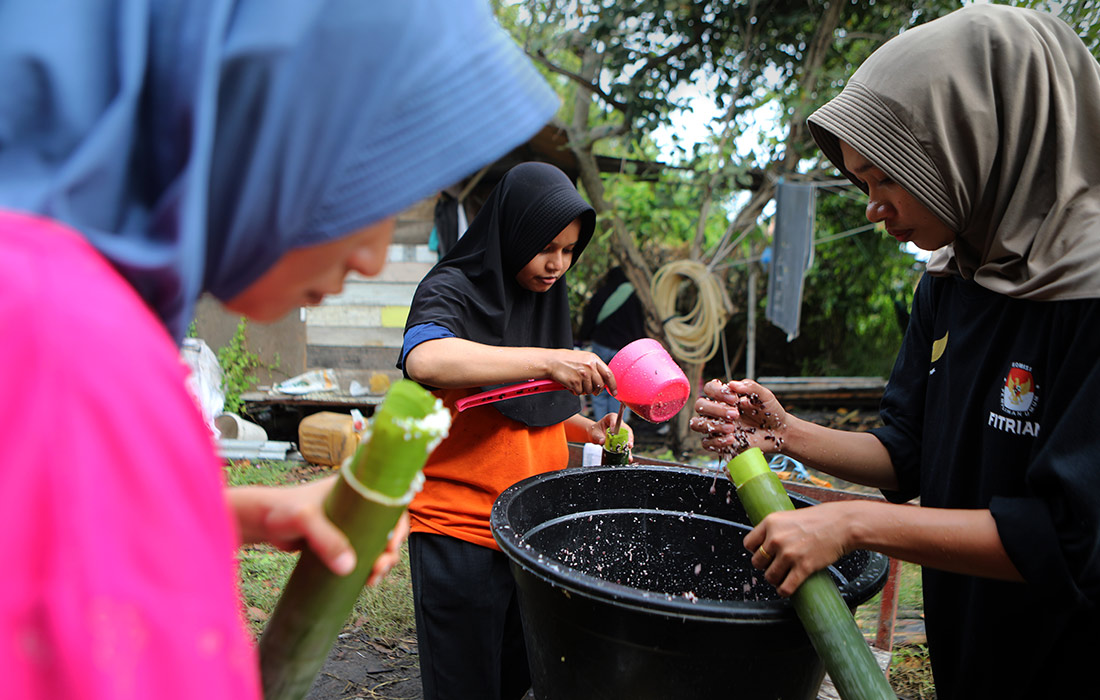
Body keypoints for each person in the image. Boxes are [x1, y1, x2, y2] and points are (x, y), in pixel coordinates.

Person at [0, 2, 560, 698]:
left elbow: (45, 556)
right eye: (370, 192)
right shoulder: (60, 336)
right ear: (259, 120)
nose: (373, 254)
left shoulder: (77, 308)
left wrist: (216, 512)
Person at [691, 6, 1100, 700]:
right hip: (971, 653)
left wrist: (850, 523)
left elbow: (1066, 538)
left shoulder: (1086, 298)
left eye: (886, 177)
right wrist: (783, 432)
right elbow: (908, 450)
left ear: (972, 144)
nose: (873, 206)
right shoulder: (951, 281)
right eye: (862, 182)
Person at [398, 161, 634, 700]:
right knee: (465, 685)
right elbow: (426, 361)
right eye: (546, 246)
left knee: (515, 677)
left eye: (570, 249)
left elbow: (520, 406)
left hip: (531, 532)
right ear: (513, 232)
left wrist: (583, 429)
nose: (558, 264)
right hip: (460, 529)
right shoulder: (453, 287)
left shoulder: (544, 294)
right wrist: (548, 361)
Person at [577, 265, 648, 419]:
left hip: (601, 345)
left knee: (599, 387)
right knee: (621, 390)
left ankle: (601, 426)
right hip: (625, 351)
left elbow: (590, 318)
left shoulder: (602, 293)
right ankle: (618, 427)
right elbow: (640, 325)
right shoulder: (636, 296)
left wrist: (583, 337)